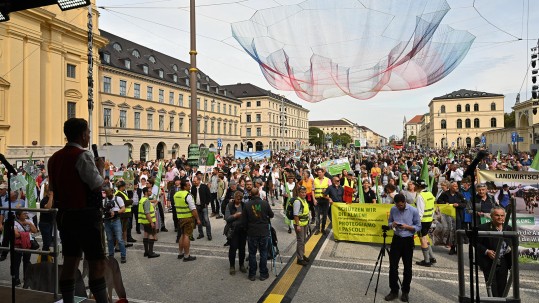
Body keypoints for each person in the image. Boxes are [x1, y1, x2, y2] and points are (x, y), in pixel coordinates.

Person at [47, 118, 109, 303]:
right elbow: (97, 185)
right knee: (96, 262)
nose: (89, 135)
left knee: (70, 261)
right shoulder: (83, 155)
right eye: (88, 132)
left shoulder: (54, 158)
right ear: (83, 134)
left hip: (65, 216)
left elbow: (52, 187)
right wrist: (100, 169)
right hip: (85, 216)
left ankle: (68, 301)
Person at [385, 193, 421, 302]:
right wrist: (393, 225)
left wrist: (408, 227)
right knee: (393, 267)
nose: (399, 207)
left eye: (401, 205)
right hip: (396, 240)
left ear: (404, 202)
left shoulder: (413, 210)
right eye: (397, 205)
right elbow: (389, 222)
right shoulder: (393, 209)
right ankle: (394, 291)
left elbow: (419, 226)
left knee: (407, 268)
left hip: (408, 240)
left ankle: (405, 291)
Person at [477, 207, 512, 297]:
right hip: (489, 262)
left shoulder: (509, 229)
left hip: (504, 262)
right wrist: (486, 251)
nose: (500, 217)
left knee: (502, 287)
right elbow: (474, 242)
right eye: (497, 215)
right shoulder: (483, 227)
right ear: (491, 216)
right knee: (492, 288)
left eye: (502, 215)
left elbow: (515, 243)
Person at [242, 187, 274, 281]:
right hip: (263, 231)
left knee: (252, 253)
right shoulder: (265, 203)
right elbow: (271, 215)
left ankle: (252, 274)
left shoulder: (247, 205)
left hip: (252, 232)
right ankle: (263, 273)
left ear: (250, 194)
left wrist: (246, 229)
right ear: (259, 194)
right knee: (263, 253)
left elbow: (244, 220)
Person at [175, 179, 200, 262]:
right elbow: (193, 209)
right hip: (188, 218)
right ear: (184, 186)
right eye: (188, 185)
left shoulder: (176, 194)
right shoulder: (188, 195)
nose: (190, 186)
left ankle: (180, 253)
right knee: (186, 235)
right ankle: (186, 255)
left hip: (180, 217)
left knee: (182, 235)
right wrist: (197, 219)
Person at [414, 180, 436, 267]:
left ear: (418, 186)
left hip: (422, 221)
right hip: (429, 219)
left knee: (422, 239)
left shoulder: (420, 196)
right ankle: (432, 258)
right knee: (425, 238)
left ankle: (426, 261)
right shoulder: (430, 194)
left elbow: (420, 212)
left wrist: (417, 223)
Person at [225, 190, 247, 274]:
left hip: (242, 230)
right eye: (237, 199)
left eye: (240, 199)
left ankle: (241, 265)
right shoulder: (229, 205)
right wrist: (235, 215)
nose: (239, 201)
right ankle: (232, 266)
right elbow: (227, 218)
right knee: (233, 248)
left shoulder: (244, 205)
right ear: (234, 198)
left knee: (242, 249)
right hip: (233, 231)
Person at [13, 210, 37, 286]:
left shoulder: (29, 221)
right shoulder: (14, 222)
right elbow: (16, 235)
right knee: (16, 262)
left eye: (26, 213)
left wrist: (29, 224)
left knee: (27, 262)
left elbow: (35, 231)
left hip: (27, 245)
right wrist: (27, 234)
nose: (26, 215)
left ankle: (26, 279)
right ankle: (16, 279)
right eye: (24, 214)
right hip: (18, 245)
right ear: (18, 215)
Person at [102, 188, 127, 263]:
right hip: (107, 221)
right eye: (107, 193)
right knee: (109, 239)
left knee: (119, 239)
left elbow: (123, 209)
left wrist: (116, 212)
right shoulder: (104, 201)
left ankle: (123, 256)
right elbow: (102, 211)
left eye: (109, 192)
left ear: (112, 192)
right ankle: (111, 255)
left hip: (116, 221)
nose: (108, 194)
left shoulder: (118, 198)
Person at [138, 187, 160, 258]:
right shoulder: (146, 201)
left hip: (144, 221)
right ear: (146, 192)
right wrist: (151, 222)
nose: (151, 192)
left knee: (146, 234)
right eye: (149, 191)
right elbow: (147, 213)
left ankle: (146, 252)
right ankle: (150, 253)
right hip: (148, 221)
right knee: (151, 235)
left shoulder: (142, 200)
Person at [293, 186, 310, 266]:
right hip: (300, 224)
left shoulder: (304, 200)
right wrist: (298, 225)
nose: (304, 194)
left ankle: (302, 254)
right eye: (302, 192)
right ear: (299, 193)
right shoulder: (297, 201)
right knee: (300, 241)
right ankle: (299, 259)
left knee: (303, 241)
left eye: (305, 192)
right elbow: (295, 215)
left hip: (304, 223)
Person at [191, 175, 212, 240]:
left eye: (195, 181)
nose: (194, 182)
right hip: (197, 206)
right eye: (193, 181)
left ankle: (209, 234)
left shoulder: (204, 187)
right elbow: (192, 196)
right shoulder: (193, 188)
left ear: (199, 180)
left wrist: (207, 203)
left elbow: (209, 196)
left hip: (204, 206)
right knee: (198, 220)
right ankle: (201, 233)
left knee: (206, 220)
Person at [313, 168, 330, 235]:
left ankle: (323, 228)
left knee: (325, 215)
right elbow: (313, 190)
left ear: (323, 173)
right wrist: (314, 199)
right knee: (317, 215)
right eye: (318, 172)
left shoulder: (328, 180)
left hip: (325, 199)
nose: (319, 173)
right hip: (317, 199)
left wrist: (326, 191)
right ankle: (317, 229)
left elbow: (330, 189)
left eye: (320, 172)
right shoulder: (315, 180)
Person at [39, 184, 54, 252]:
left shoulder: (52, 199)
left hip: (50, 223)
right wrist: (51, 196)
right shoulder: (44, 200)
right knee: (46, 243)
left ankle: (46, 258)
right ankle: (44, 259)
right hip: (44, 223)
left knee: (49, 242)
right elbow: (48, 207)